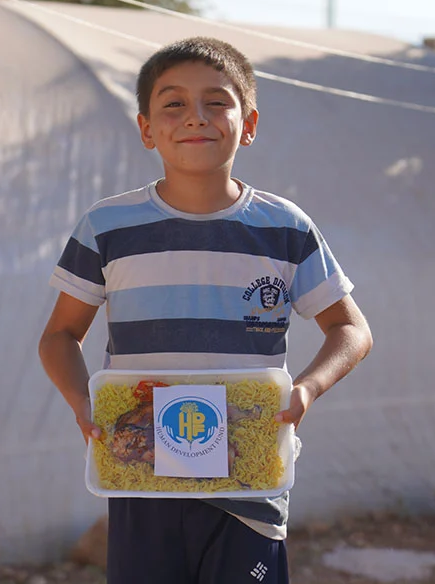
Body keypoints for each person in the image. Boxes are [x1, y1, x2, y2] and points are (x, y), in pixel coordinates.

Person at [38, 36, 373, 584]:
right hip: (141, 472)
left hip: (248, 480)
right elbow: (59, 337)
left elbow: (351, 330)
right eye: (173, 103)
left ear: (250, 123)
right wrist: (83, 401)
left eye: (217, 101)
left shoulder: (285, 227)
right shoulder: (107, 227)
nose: (196, 117)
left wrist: (307, 388)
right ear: (147, 127)